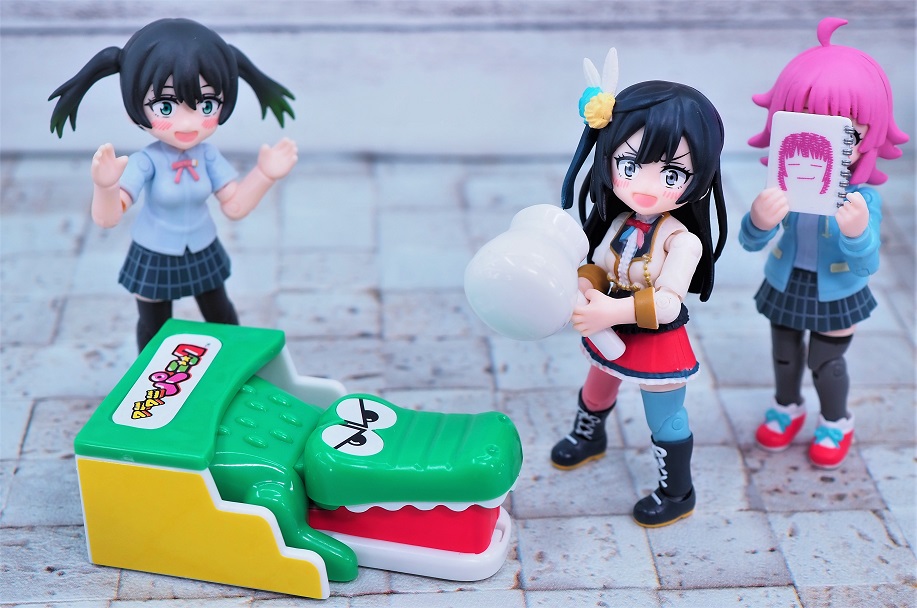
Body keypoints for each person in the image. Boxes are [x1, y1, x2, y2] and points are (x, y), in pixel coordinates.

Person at [49, 18, 298, 350]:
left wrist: (265, 174)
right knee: (154, 328)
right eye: (165, 106)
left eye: (206, 105)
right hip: (155, 253)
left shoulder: (207, 156)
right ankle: (150, 379)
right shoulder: (145, 161)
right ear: (133, 108)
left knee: (222, 316)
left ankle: (238, 368)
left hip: (202, 247)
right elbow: (108, 218)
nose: (188, 123)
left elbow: (235, 205)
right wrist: (105, 187)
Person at [552, 70, 728, 527]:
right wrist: (585, 286)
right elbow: (599, 264)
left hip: (655, 335)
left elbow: (669, 303)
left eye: (671, 173)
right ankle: (589, 436)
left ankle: (677, 491)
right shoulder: (618, 222)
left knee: (665, 416)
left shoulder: (682, 241)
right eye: (630, 167)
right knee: (597, 386)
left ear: (700, 177)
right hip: (608, 324)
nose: (645, 187)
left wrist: (612, 309)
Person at [739, 17, 908, 469]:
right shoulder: (785, 184)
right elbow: (750, 241)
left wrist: (856, 233)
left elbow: (867, 264)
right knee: (784, 353)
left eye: (848, 135)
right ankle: (787, 406)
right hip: (787, 280)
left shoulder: (862, 198)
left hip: (837, 292)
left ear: (868, 137)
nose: (830, 144)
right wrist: (759, 219)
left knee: (827, 363)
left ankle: (836, 420)